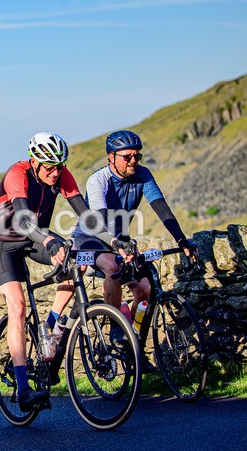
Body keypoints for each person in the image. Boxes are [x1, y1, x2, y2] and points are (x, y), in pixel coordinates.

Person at [0, 133, 130, 411]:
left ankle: (49, 329)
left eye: (59, 167)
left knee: (77, 263)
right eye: (49, 168)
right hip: (1, 241)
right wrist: (49, 240)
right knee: (18, 307)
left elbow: (87, 216)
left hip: (34, 237)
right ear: (34, 162)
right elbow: (24, 220)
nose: (55, 173)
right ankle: (23, 389)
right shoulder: (17, 174)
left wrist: (113, 241)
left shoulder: (61, 174)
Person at [72, 130, 197, 366]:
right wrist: (116, 245)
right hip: (91, 238)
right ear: (111, 157)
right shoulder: (98, 180)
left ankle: (133, 343)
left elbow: (162, 208)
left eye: (137, 156)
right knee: (112, 267)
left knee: (145, 289)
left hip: (120, 239)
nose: (133, 161)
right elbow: (99, 221)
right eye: (127, 156)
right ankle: (116, 328)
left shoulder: (143, 175)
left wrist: (182, 240)